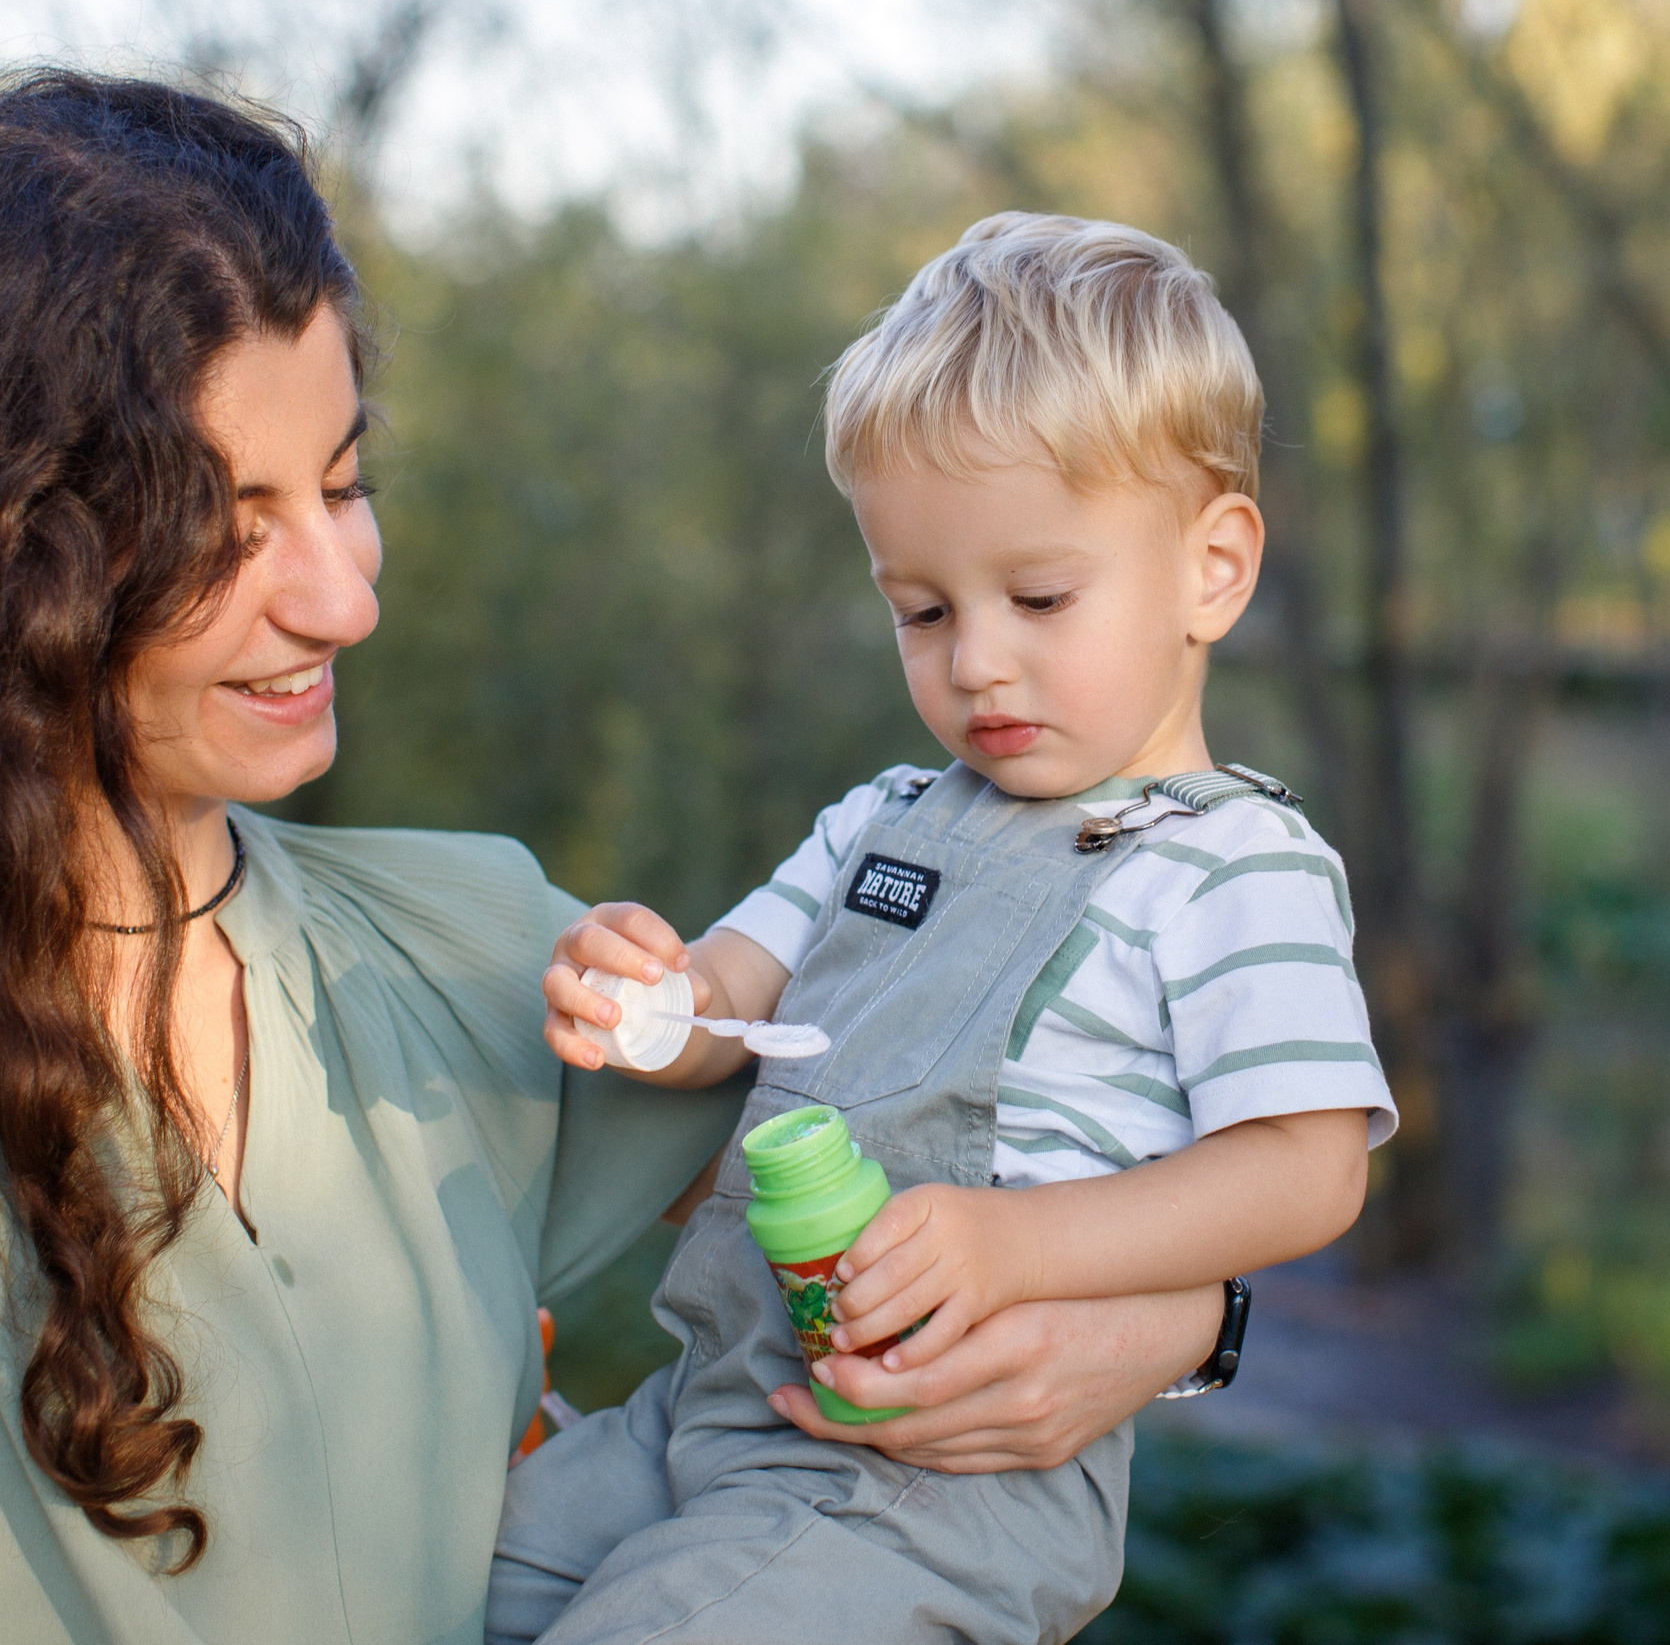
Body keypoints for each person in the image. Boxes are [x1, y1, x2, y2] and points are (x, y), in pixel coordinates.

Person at [0, 82, 1271, 1644]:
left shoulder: (469, 942)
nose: (344, 598)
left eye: (340, 490)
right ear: (4, 553)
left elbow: (939, 1149)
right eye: (228, 525)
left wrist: (1186, 1315)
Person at [495, 213, 1399, 1645]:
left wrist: (1017, 1244)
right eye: (921, 610)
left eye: (1039, 597)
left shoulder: (1235, 866)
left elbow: (1309, 1168)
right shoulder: (885, 818)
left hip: (927, 1483)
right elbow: (730, 993)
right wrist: (643, 993)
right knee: (424, 1575)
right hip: (705, 1407)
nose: (976, 659)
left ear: (1213, 568)